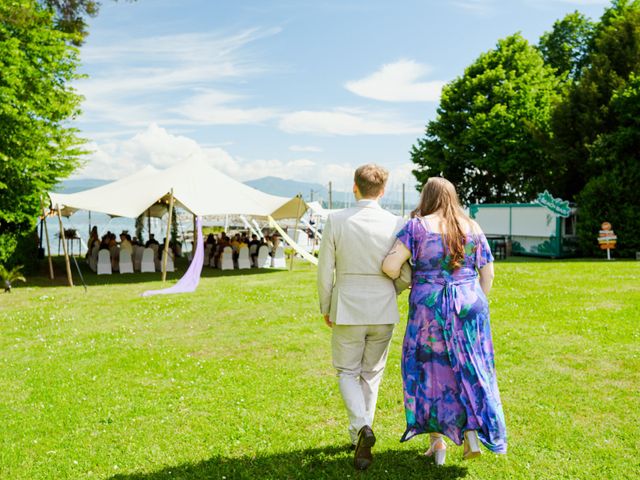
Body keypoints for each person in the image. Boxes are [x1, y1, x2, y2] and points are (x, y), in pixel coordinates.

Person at [382, 177, 507, 466]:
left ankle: (437, 442)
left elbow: (389, 265)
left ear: (426, 197)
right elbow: (488, 275)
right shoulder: (472, 227)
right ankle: (472, 432)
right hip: (469, 303)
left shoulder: (417, 226)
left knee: (430, 370)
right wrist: (471, 302)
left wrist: (416, 280)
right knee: (471, 369)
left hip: (430, 306)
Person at [317, 164, 404, 471]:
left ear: (354, 187)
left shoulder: (336, 220)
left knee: (346, 371)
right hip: (383, 306)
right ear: (382, 191)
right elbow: (405, 270)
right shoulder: (397, 223)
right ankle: (360, 434)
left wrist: (326, 305)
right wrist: (390, 290)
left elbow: (325, 269)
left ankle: (361, 427)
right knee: (372, 373)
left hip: (348, 305)